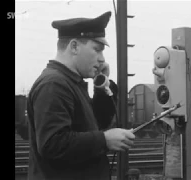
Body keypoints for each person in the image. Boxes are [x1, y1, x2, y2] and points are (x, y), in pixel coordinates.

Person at [26, 11, 135, 180]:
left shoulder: (71, 82)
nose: (102, 59)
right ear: (74, 46)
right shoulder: (54, 84)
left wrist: (101, 88)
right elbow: (52, 144)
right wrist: (104, 140)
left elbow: (94, 125)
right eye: (97, 50)